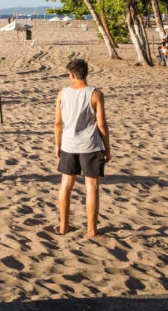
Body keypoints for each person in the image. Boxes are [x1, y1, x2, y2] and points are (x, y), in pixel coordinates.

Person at [54, 58, 109, 238]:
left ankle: (64, 226)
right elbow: (101, 125)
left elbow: (57, 123)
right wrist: (107, 147)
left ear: (71, 75)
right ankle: (92, 230)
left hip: (69, 144)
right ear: (86, 73)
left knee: (66, 184)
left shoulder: (62, 93)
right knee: (91, 187)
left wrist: (57, 144)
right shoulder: (95, 94)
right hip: (90, 145)